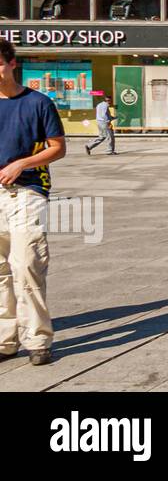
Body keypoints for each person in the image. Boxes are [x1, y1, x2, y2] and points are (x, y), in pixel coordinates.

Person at [0, 39, 66, 366]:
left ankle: (37, 338)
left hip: (27, 191)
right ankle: (5, 339)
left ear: (11, 64)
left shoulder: (38, 102)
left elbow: (58, 147)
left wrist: (22, 163)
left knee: (26, 264)